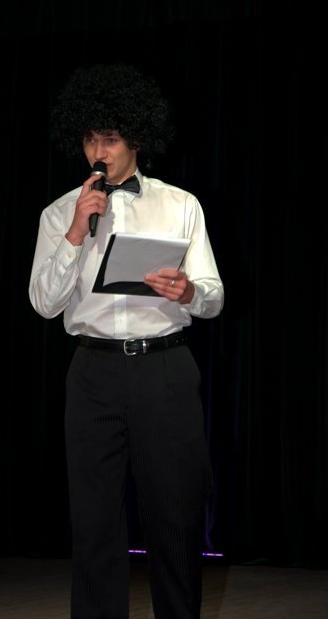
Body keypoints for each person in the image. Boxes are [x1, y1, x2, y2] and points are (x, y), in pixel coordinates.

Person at [29, 62, 224, 619]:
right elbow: (43, 302)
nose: (99, 151)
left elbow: (214, 295)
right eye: (90, 139)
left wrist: (189, 292)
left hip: (164, 370)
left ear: (135, 138)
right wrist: (74, 233)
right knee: (94, 525)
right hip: (93, 374)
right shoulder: (58, 214)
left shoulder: (181, 204)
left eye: (110, 139)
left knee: (175, 518)